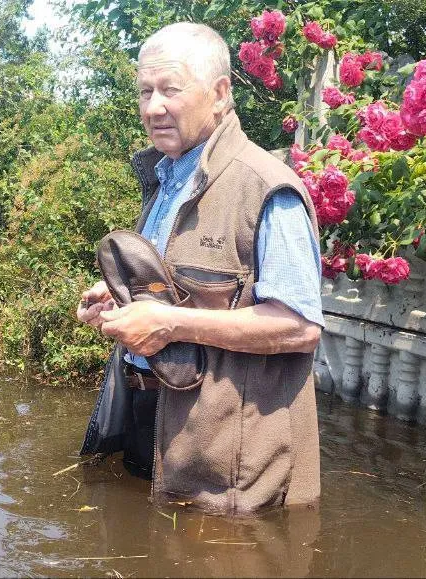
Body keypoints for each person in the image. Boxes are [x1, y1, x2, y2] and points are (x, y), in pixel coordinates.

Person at [76, 22, 325, 513]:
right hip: (150, 421)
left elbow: (298, 327)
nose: (153, 107)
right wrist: (120, 302)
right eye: (145, 91)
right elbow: (178, 288)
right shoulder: (166, 177)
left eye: (170, 89)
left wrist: (169, 321)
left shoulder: (265, 188)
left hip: (228, 455)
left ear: (219, 94)